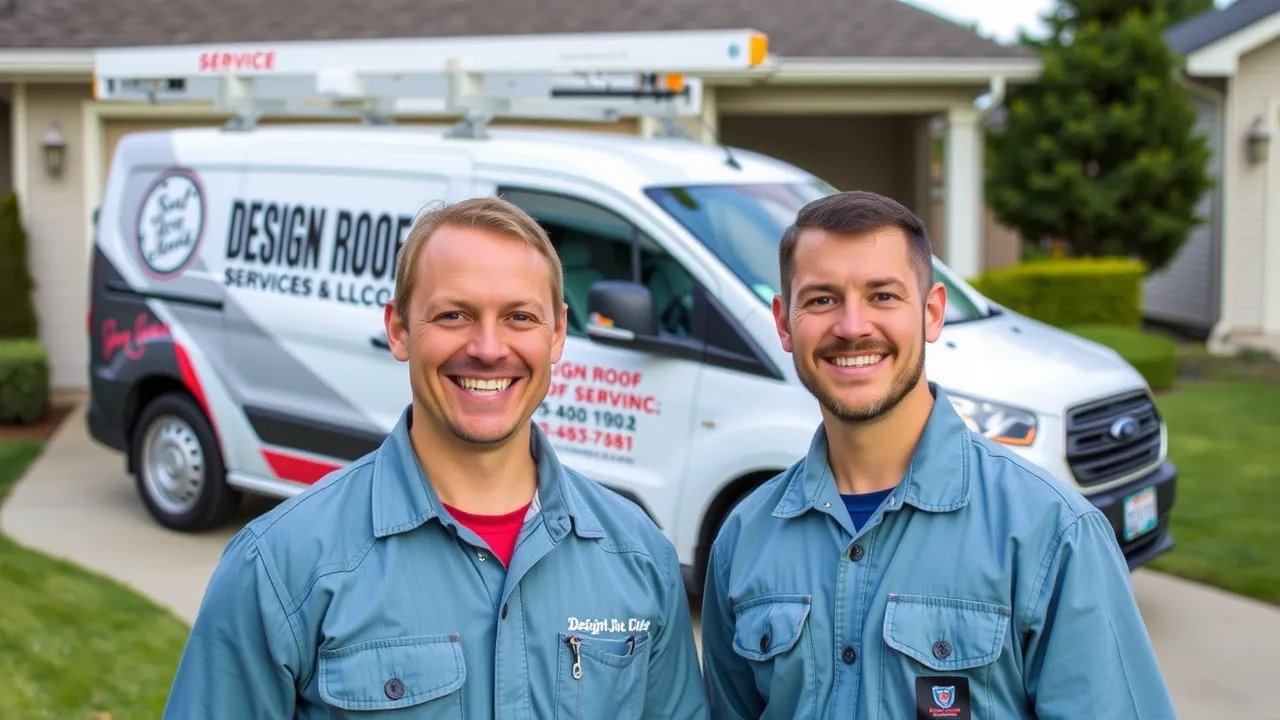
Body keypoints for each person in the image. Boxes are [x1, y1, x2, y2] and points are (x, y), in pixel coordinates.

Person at [164, 196, 708, 719]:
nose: (489, 348)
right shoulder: (280, 569)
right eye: (453, 315)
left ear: (559, 333)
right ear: (399, 329)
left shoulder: (640, 557)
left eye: (520, 317)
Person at [699, 191, 1175, 719]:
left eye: (882, 296)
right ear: (785, 323)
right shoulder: (743, 540)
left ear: (931, 313)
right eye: (822, 299)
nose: (852, 326)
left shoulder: (1052, 534)